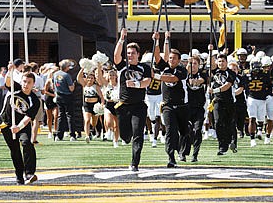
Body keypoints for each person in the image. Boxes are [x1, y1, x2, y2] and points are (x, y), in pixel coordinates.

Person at [113, 28, 152, 172]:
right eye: (128, 53)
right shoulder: (123, 66)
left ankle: (135, 163)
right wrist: (122, 39)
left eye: (132, 53)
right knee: (125, 136)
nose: (130, 55)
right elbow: (116, 56)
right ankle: (125, 138)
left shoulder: (144, 67)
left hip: (139, 106)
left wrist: (136, 84)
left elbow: (147, 81)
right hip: (124, 105)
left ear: (138, 54)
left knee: (138, 134)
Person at [153, 31, 189, 167]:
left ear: (179, 60)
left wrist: (156, 77)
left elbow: (172, 79)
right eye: (170, 58)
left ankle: (182, 151)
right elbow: (157, 56)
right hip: (168, 105)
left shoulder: (182, 70)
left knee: (184, 131)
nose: (171, 60)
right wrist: (158, 41)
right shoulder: (164, 67)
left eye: (174, 58)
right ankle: (171, 157)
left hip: (182, 105)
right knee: (170, 130)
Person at [0, 72, 40, 185]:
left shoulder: (35, 100)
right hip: (7, 124)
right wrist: (9, 70)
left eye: (29, 82)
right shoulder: (15, 88)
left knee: (27, 143)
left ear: (33, 84)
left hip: (22, 126)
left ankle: (29, 173)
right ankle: (19, 175)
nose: (26, 84)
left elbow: (28, 118)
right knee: (15, 150)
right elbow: (7, 82)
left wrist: (18, 127)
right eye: (24, 81)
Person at [210, 52, 236, 155]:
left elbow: (227, 85)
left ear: (226, 62)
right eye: (219, 61)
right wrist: (210, 51)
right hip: (217, 101)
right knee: (218, 122)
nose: (221, 63)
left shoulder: (231, 73)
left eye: (223, 61)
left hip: (228, 101)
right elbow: (211, 63)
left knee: (228, 123)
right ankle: (222, 145)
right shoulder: (214, 71)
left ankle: (230, 141)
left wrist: (215, 90)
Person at [183, 55, 206, 162]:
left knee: (197, 130)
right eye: (190, 63)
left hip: (199, 108)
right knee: (186, 130)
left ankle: (195, 154)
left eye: (195, 63)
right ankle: (183, 152)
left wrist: (196, 81)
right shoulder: (184, 75)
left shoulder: (203, 74)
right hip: (187, 107)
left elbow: (202, 80)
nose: (193, 66)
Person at [76, 64, 104, 143]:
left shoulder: (96, 87)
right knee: (87, 120)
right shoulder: (84, 85)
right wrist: (83, 68)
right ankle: (87, 136)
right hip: (86, 105)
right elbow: (78, 77)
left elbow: (101, 97)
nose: (90, 79)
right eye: (89, 78)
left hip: (95, 105)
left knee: (94, 122)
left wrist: (102, 104)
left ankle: (92, 130)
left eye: (92, 78)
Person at [52, 59, 76, 141]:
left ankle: (59, 135)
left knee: (60, 115)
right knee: (70, 115)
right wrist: (74, 84)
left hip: (58, 96)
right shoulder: (67, 75)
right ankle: (72, 135)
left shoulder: (55, 74)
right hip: (67, 96)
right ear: (66, 67)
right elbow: (71, 88)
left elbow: (52, 85)